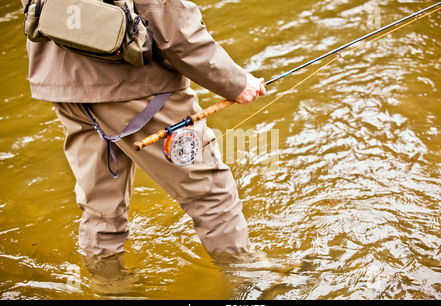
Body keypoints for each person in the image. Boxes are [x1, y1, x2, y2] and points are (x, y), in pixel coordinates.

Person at [21, 0, 266, 259]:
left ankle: (110, 287)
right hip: (136, 89)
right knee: (210, 193)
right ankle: (250, 285)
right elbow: (172, 22)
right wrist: (236, 81)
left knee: (101, 208)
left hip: (63, 87)